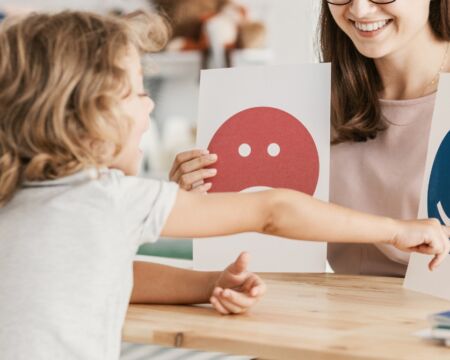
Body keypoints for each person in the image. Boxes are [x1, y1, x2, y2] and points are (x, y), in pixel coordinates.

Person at [0, 9, 448, 359]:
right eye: (135, 91)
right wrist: (394, 229)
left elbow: (104, 272)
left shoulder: (15, 200)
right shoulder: (112, 200)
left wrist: (212, 282)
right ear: (84, 119)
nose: (150, 103)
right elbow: (272, 210)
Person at [170, 0, 450, 277]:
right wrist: (197, 195)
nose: (359, 10)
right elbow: (269, 225)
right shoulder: (305, 104)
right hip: (346, 312)